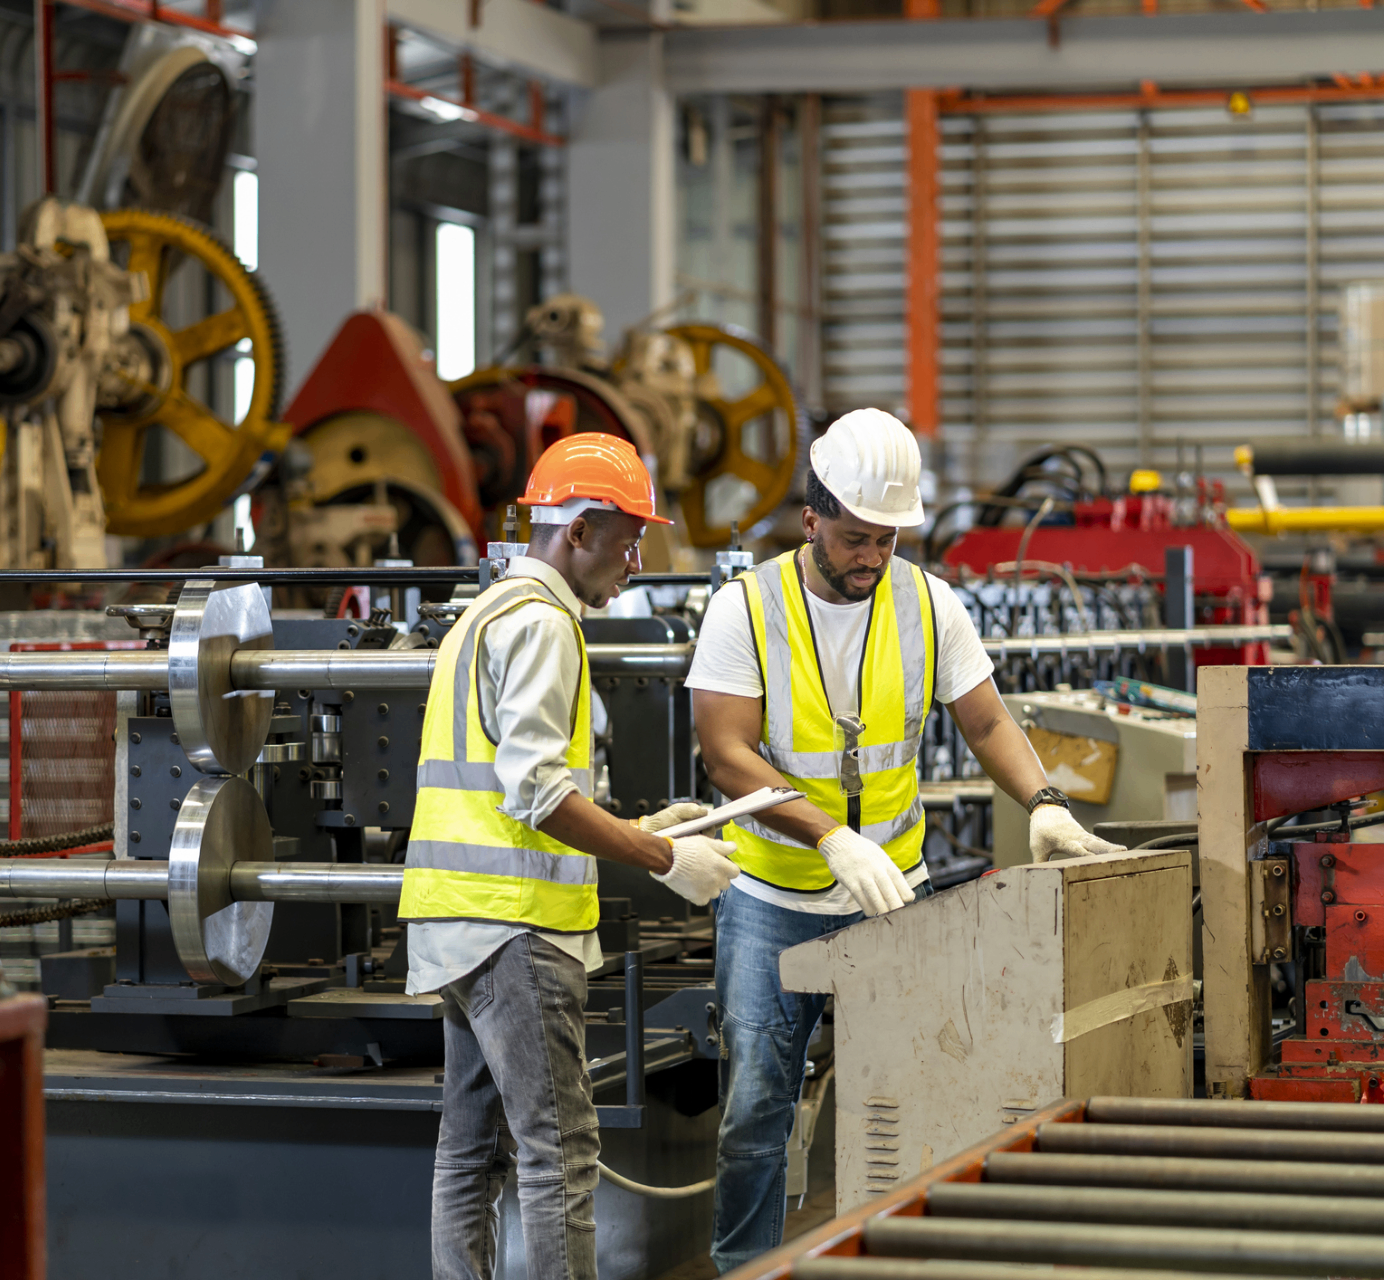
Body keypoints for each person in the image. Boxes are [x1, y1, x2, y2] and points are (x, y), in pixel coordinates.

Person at [687, 408, 1123, 1272]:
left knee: (920, 1097)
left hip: (893, 891)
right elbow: (725, 754)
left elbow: (988, 718)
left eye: (887, 540)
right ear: (811, 517)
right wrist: (825, 837)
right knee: (755, 1114)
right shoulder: (745, 608)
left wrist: (1044, 799)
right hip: (772, 899)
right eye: (855, 538)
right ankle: (745, 1269)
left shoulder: (927, 602)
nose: (873, 558)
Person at [399, 433, 744, 1280]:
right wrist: (661, 856)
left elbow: (512, 782)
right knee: (560, 1150)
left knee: (470, 1148)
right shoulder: (547, 625)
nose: (636, 560)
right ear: (579, 532)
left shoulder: (484, 612)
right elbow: (538, 794)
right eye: (628, 539)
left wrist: (636, 822)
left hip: (455, 918)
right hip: (515, 928)